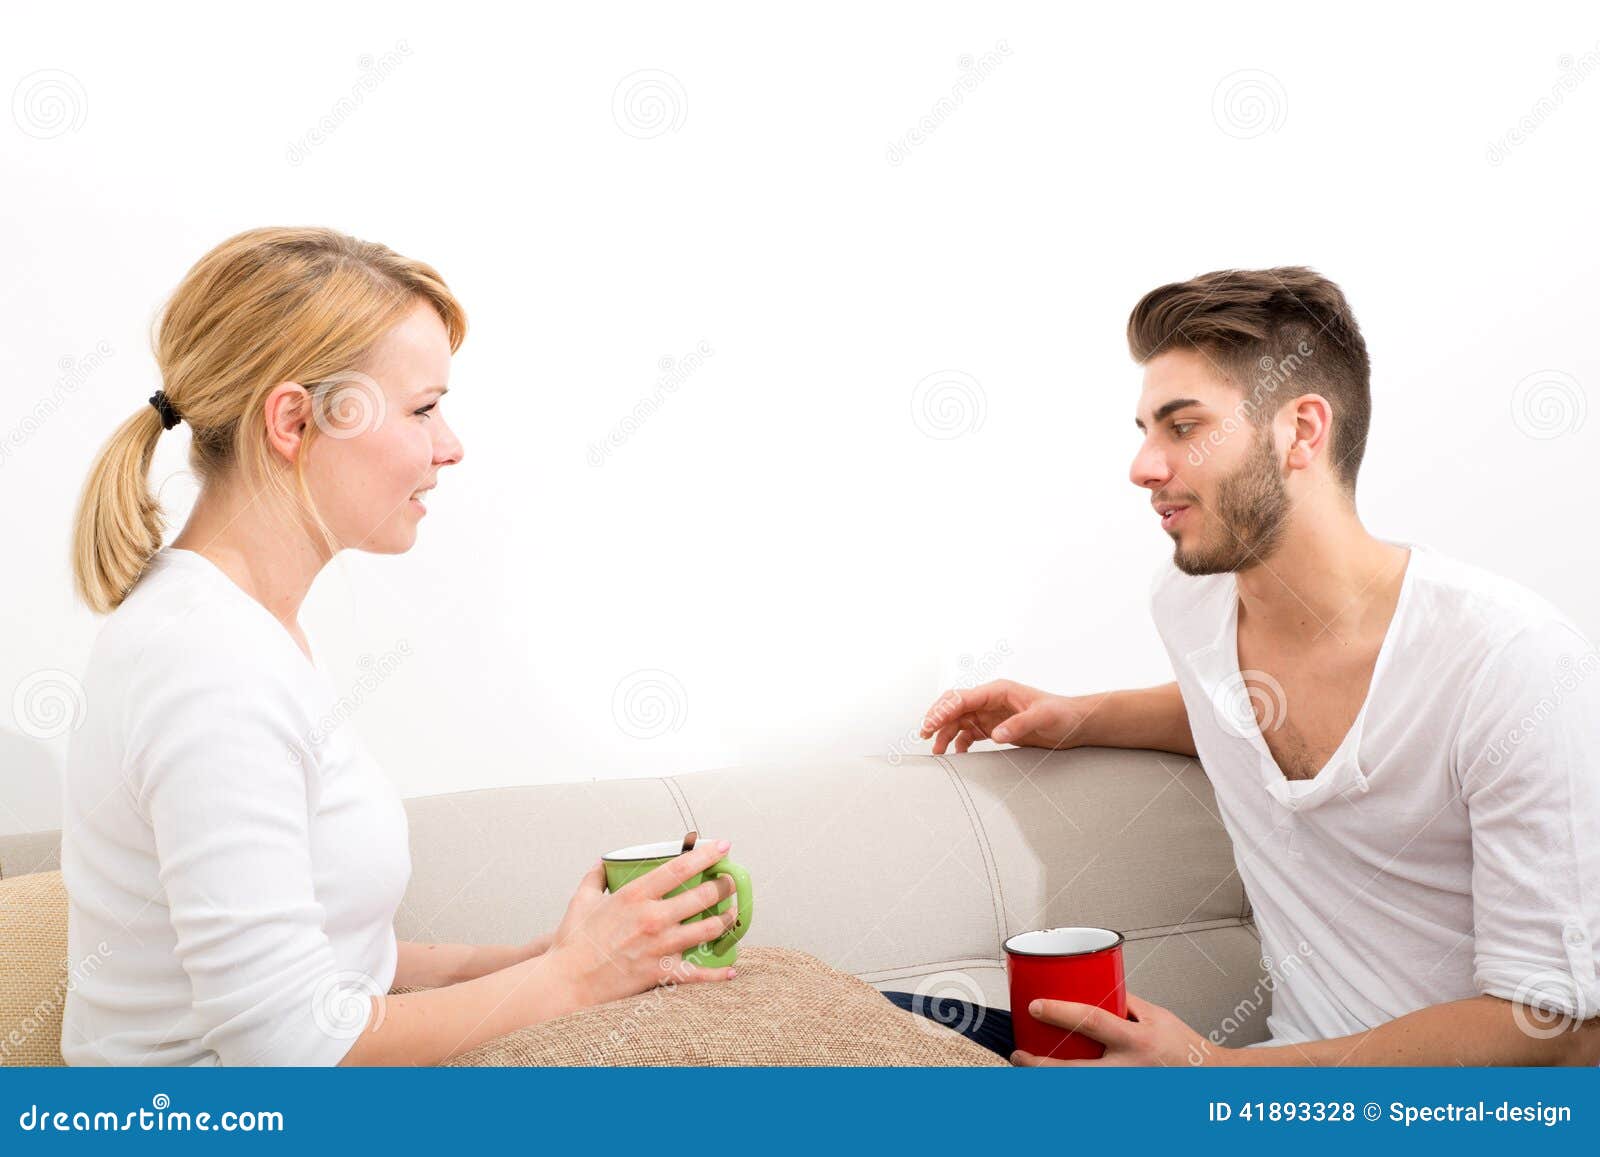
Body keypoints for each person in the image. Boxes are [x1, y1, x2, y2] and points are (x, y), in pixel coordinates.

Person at [61, 226, 739, 1066]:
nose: (450, 445)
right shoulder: (208, 666)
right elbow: (287, 1046)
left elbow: (335, 973)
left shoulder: (237, 627)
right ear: (294, 420)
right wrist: (575, 978)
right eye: (423, 408)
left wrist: (556, 958)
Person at [906, 267, 1600, 1066]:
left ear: (1301, 430)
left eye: (1182, 426)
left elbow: (1559, 1032)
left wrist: (1210, 1075)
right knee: (872, 1031)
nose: (1143, 467)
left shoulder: (1513, 666)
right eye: (1142, 430)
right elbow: (1239, 708)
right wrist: (1079, 716)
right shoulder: (1191, 607)